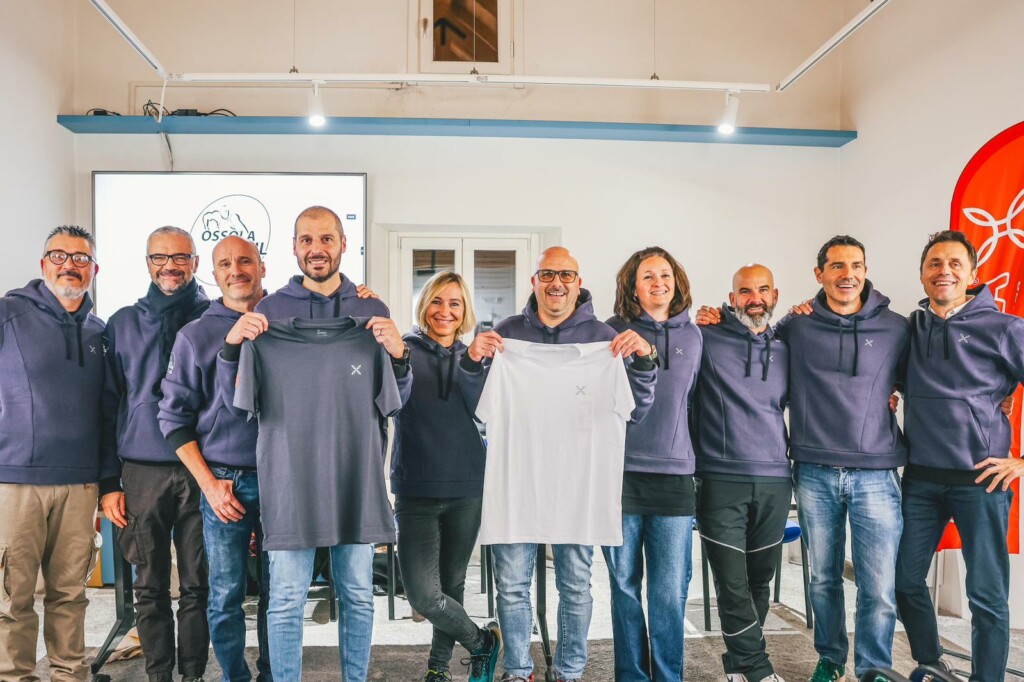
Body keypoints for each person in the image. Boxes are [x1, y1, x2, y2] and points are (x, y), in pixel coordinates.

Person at [696, 235, 908, 682]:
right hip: (810, 469)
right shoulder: (789, 328)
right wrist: (706, 318)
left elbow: (922, 385)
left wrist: (996, 401)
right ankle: (828, 659)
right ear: (820, 275)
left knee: (878, 587)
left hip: (873, 471)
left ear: (865, 270)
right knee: (821, 580)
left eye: (855, 265)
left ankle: (873, 669)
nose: (847, 274)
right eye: (836, 266)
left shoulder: (895, 328)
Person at [460, 246, 657, 682]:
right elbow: (476, 406)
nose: (557, 284)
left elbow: (635, 410)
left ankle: (569, 672)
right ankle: (517, 670)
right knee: (511, 586)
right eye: (547, 274)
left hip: (578, 484)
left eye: (565, 275)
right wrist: (473, 361)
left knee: (576, 584)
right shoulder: (507, 335)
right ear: (534, 281)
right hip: (518, 483)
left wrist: (643, 363)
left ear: (578, 280)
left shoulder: (604, 339)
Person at [233, 205, 409, 682]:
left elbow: (396, 399)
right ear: (294, 247)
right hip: (290, 482)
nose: (317, 248)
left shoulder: (372, 313)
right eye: (307, 240)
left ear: (342, 245)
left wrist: (399, 353)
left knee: (355, 593)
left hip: (356, 479)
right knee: (286, 598)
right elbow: (242, 403)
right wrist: (239, 342)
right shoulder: (267, 315)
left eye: (326, 239)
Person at [896, 230, 1024, 682]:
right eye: (934, 263)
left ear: (974, 274)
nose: (944, 271)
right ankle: (931, 662)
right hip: (920, 480)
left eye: (954, 263)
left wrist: (1022, 461)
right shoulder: (910, 328)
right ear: (923, 274)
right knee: (906, 583)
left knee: (985, 596)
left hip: (982, 481)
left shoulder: (1005, 328)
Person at [157, 236, 272, 682]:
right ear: (213, 271)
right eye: (226, 263)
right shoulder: (196, 335)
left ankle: (273, 673)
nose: (236, 269)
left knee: (281, 594)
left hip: (282, 476)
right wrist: (208, 484)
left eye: (245, 260)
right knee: (225, 593)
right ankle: (233, 676)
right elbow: (173, 419)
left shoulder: (286, 320)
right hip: (224, 481)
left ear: (262, 266)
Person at [0, 226, 112, 681]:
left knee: (71, 596)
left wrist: (107, 484)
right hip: (16, 482)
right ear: (44, 264)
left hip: (80, 484)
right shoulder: (8, 314)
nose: (70, 264)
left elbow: (108, 413)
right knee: (12, 598)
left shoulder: (100, 332)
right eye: (59, 255)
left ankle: (70, 675)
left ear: (94, 270)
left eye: (81, 258)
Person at [101, 225, 211, 682]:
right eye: (159, 257)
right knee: (148, 585)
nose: (170, 265)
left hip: (203, 468)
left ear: (195, 263)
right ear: (147, 263)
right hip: (142, 470)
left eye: (180, 257)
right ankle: (159, 674)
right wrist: (108, 483)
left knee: (198, 586)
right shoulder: (123, 322)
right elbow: (108, 404)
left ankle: (192, 675)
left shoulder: (216, 316)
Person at [392, 271, 501, 682]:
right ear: (425, 306)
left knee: (452, 584)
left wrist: (476, 359)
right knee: (423, 594)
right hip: (416, 489)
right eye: (437, 301)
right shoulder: (401, 350)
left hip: (467, 486)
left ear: (464, 310)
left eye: (454, 303)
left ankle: (438, 668)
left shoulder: (477, 357)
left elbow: (486, 414)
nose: (445, 311)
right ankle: (481, 643)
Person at [601, 246, 701, 682]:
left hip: (676, 477)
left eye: (665, 275)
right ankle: (631, 675)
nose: (658, 283)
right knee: (624, 585)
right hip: (617, 476)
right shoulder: (609, 331)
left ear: (676, 281)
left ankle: (667, 675)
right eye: (647, 276)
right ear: (632, 286)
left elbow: (700, 403)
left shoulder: (697, 336)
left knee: (668, 591)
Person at [692, 264, 790, 682]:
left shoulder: (789, 347)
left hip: (775, 480)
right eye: (745, 291)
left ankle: (736, 667)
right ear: (731, 299)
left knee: (758, 582)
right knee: (732, 584)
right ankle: (758, 670)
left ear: (775, 295)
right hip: (720, 480)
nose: (755, 298)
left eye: (763, 290)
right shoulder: (703, 338)